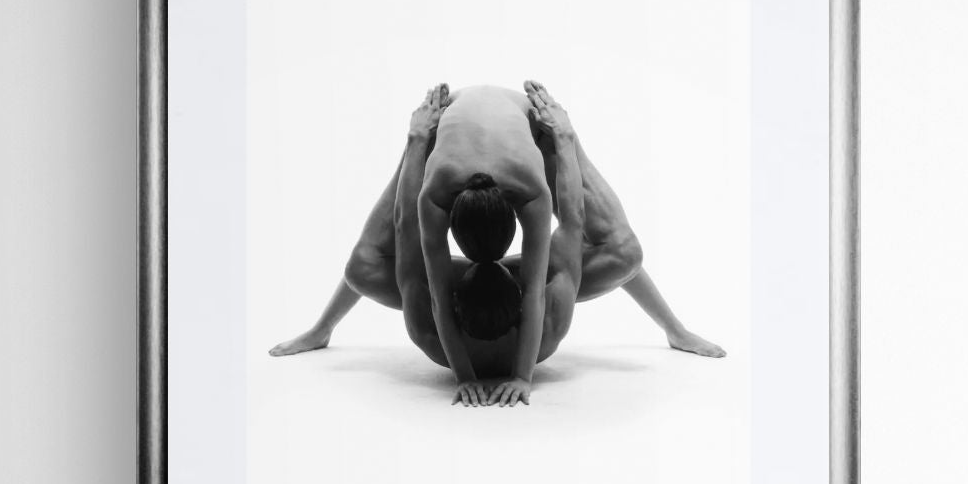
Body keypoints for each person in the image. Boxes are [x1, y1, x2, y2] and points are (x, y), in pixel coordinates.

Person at [270, 81, 725, 404]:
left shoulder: (432, 332)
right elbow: (569, 233)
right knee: (617, 253)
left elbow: (406, 228)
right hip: (466, 142)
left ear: (448, 292)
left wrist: (416, 143)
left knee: (366, 265)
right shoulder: (543, 331)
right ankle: (321, 329)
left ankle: (675, 330)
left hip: (520, 126)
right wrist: (522, 378)